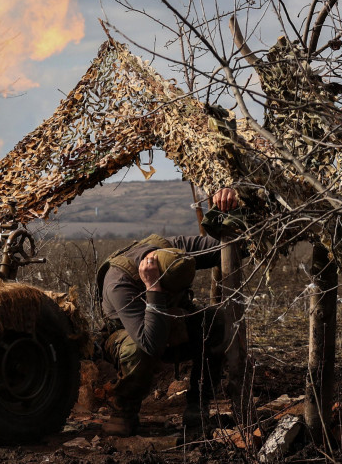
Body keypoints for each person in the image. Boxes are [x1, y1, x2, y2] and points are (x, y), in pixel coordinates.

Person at [96, 187, 240, 437]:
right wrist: (153, 287)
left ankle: (197, 408)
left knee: (216, 322)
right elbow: (151, 343)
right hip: (129, 335)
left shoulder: (174, 250)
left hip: (171, 319)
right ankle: (124, 409)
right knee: (137, 349)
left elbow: (230, 246)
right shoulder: (119, 281)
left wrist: (229, 209)